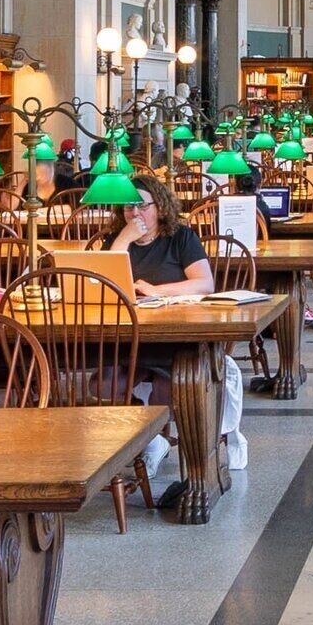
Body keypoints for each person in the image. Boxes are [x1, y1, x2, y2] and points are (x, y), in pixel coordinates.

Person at [106, 180, 236, 510]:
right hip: (126, 342)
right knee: (104, 386)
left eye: (142, 206)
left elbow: (205, 283)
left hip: (177, 341)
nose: (135, 214)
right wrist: (123, 240)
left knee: (172, 389)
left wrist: (157, 291)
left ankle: (159, 442)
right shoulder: (118, 241)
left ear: (160, 208)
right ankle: (147, 438)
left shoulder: (181, 238)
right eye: (127, 207)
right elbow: (101, 283)